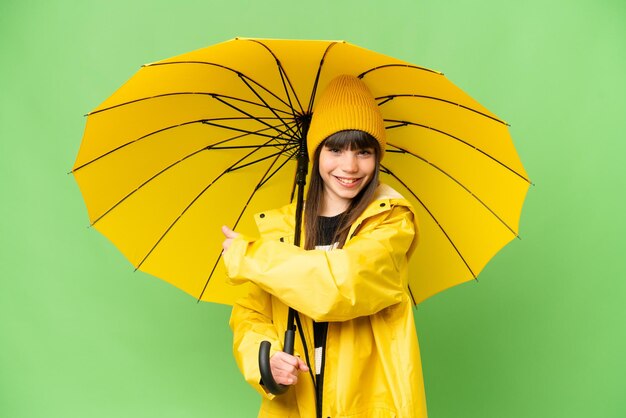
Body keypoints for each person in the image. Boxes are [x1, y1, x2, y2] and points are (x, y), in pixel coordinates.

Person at [221, 75, 428, 417]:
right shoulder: (281, 229)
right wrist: (268, 360)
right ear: (315, 153)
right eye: (335, 149)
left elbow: (339, 286)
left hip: (369, 407)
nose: (350, 166)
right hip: (295, 406)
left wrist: (250, 256)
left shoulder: (392, 223)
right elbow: (251, 314)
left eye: (363, 151)